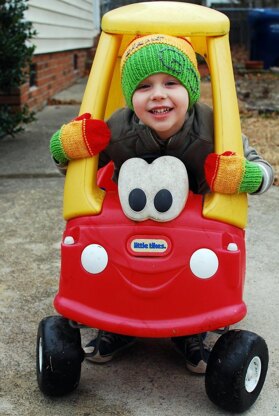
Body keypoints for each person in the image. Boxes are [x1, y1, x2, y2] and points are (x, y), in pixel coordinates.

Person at [50, 34, 274, 374]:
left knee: (193, 275)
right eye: (143, 86)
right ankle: (113, 325)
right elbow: (81, 169)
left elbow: (265, 171)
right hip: (130, 220)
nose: (158, 94)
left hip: (195, 226)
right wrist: (64, 149)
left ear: (191, 90)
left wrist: (244, 176)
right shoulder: (119, 127)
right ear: (131, 97)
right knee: (115, 269)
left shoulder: (215, 129)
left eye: (171, 82)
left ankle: (192, 331)